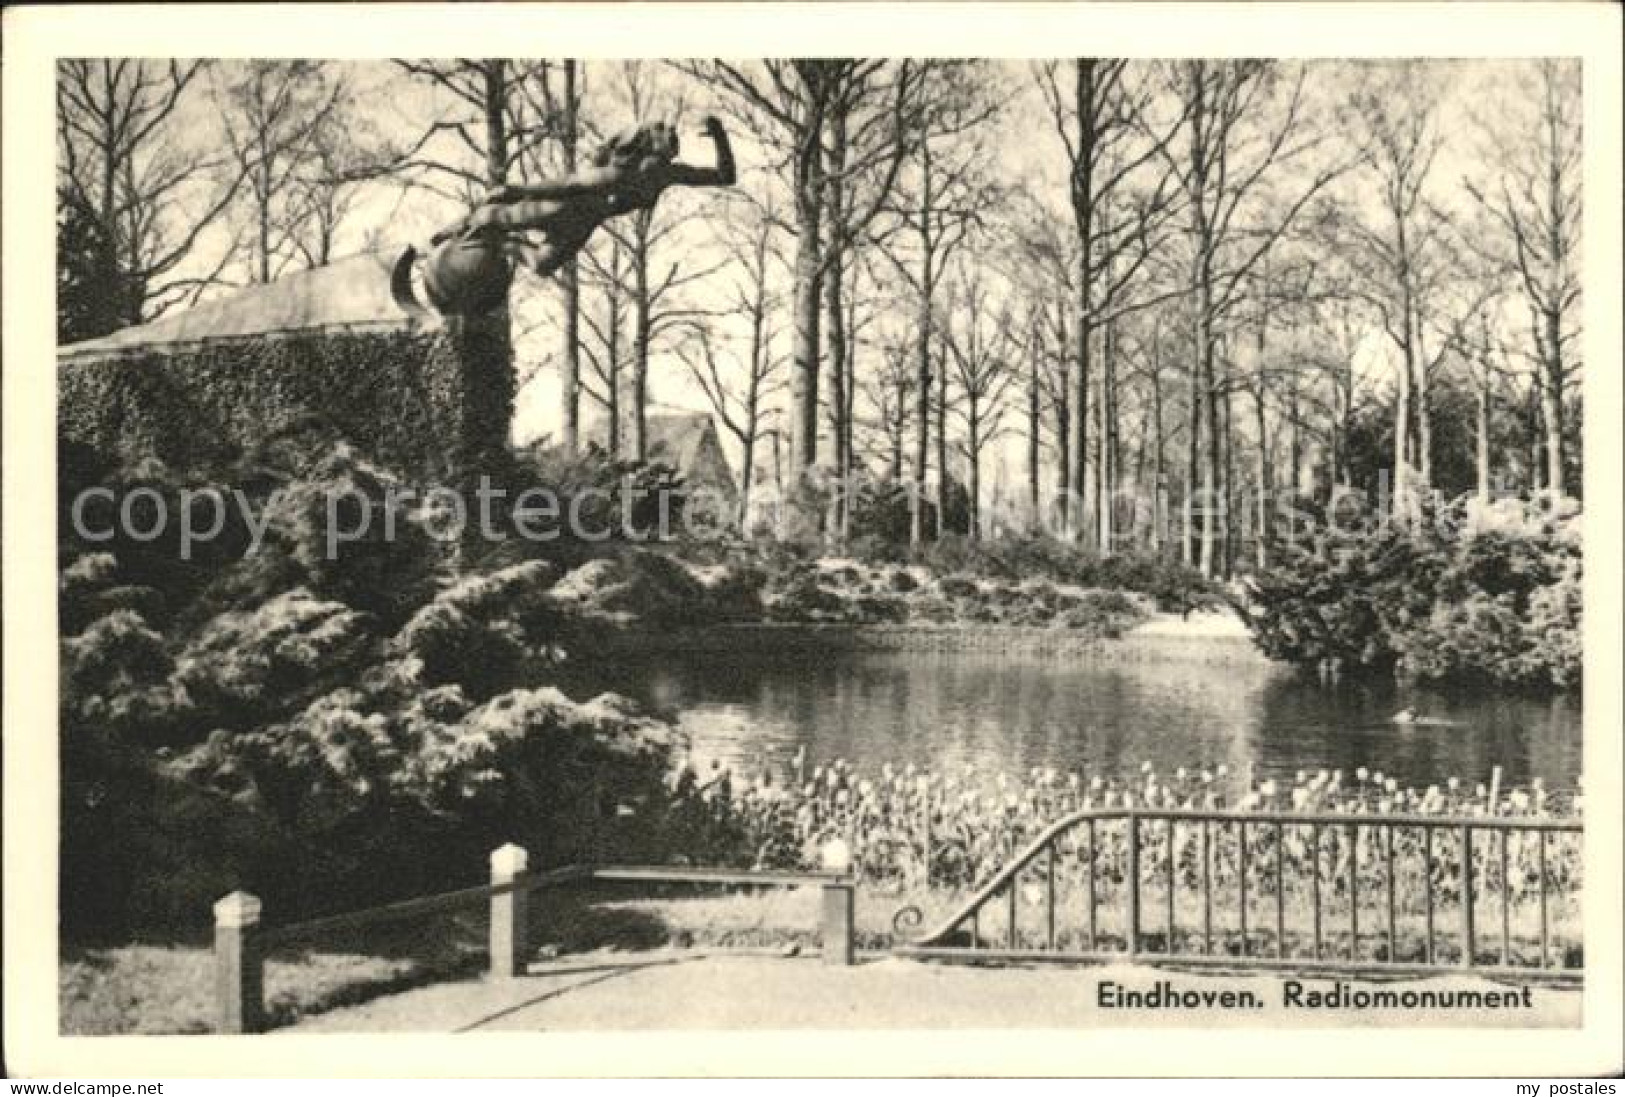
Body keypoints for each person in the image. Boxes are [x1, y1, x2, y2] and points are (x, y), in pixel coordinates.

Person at [392, 116, 736, 317]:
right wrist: (519, 191)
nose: (674, 133)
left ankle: (508, 245)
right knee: (490, 218)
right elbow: (568, 182)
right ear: (648, 143)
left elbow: (725, 176)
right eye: (666, 131)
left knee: (540, 265)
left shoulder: (667, 174)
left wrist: (720, 136)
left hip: (582, 224)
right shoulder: (616, 172)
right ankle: (438, 240)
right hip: (561, 208)